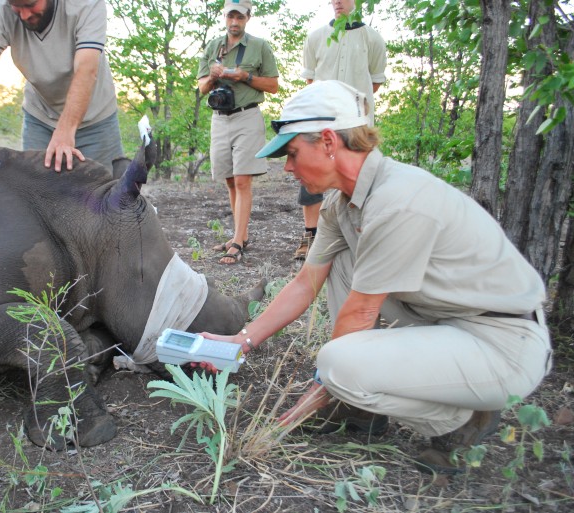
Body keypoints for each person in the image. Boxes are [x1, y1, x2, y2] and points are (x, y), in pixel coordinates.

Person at [201, 80, 551, 475]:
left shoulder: (398, 201)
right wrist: (242, 341)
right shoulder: (341, 202)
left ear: (328, 141)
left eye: (292, 153)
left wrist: (322, 388)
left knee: (338, 363)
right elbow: (305, 282)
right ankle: (359, 406)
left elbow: (362, 312)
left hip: (502, 343)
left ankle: (462, 418)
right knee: (341, 260)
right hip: (443, 321)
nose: (287, 167)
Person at [0, 0, 124, 174]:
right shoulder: (0, 7)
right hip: (40, 117)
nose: (25, 15)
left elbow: (86, 69)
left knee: (104, 195)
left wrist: (65, 131)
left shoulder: (87, 4)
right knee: (37, 190)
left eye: (30, 4)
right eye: (16, 6)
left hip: (96, 119)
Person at [292, 0, 387, 260]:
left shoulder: (373, 39)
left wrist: (349, 108)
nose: (337, 2)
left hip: (357, 123)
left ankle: (355, 236)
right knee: (310, 170)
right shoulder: (315, 37)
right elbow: (311, 79)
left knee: (357, 177)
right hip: (320, 120)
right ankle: (310, 235)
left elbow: (374, 82)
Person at [197, 0, 279, 265]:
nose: (234, 21)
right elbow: (202, 88)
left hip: (247, 116)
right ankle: (239, 236)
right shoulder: (213, 46)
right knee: (231, 181)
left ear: (248, 17)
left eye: (240, 17)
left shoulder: (259, 46)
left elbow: (274, 86)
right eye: (230, 16)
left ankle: (237, 244)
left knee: (243, 181)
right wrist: (213, 76)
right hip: (220, 118)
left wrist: (245, 77)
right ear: (225, 17)